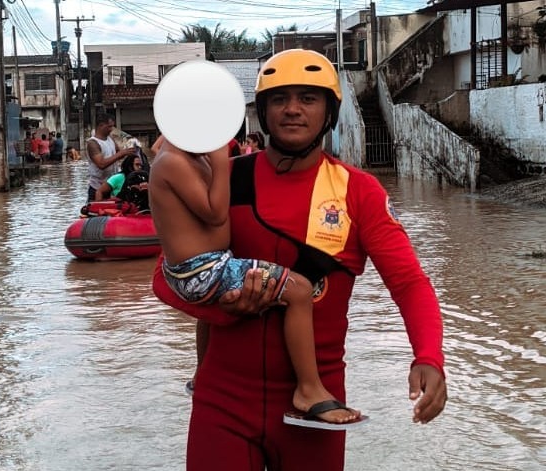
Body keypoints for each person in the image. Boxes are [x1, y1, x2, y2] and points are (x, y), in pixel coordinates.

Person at [151, 49, 446, 470]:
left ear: (330, 111)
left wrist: (428, 356)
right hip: (222, 403)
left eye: (308, 98)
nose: (292, 109)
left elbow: (409, 284)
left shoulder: (358, 193)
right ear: (263, 111)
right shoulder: (223, 179)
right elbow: (172, 274)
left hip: (315, 413)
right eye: (279, 98)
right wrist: (221, 307)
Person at [150, 131, 364, 427]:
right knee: (299, 290)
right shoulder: (173, 160)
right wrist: (219, 159)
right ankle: (309, 390)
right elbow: (214, 212)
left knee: (213, 311)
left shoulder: (176, 152)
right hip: (204, 270)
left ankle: (202, 374)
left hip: (200, 268)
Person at [85, 113, 138, 202]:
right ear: (101, 125)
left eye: (112, 126)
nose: (111, 129)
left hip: (111, 185)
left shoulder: (110, 138)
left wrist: (129, 151)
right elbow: (101, 164)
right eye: (109, 127)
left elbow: (118, 153)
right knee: (96, 213)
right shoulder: (93, 143)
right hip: (97, 187)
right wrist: (121, 154)